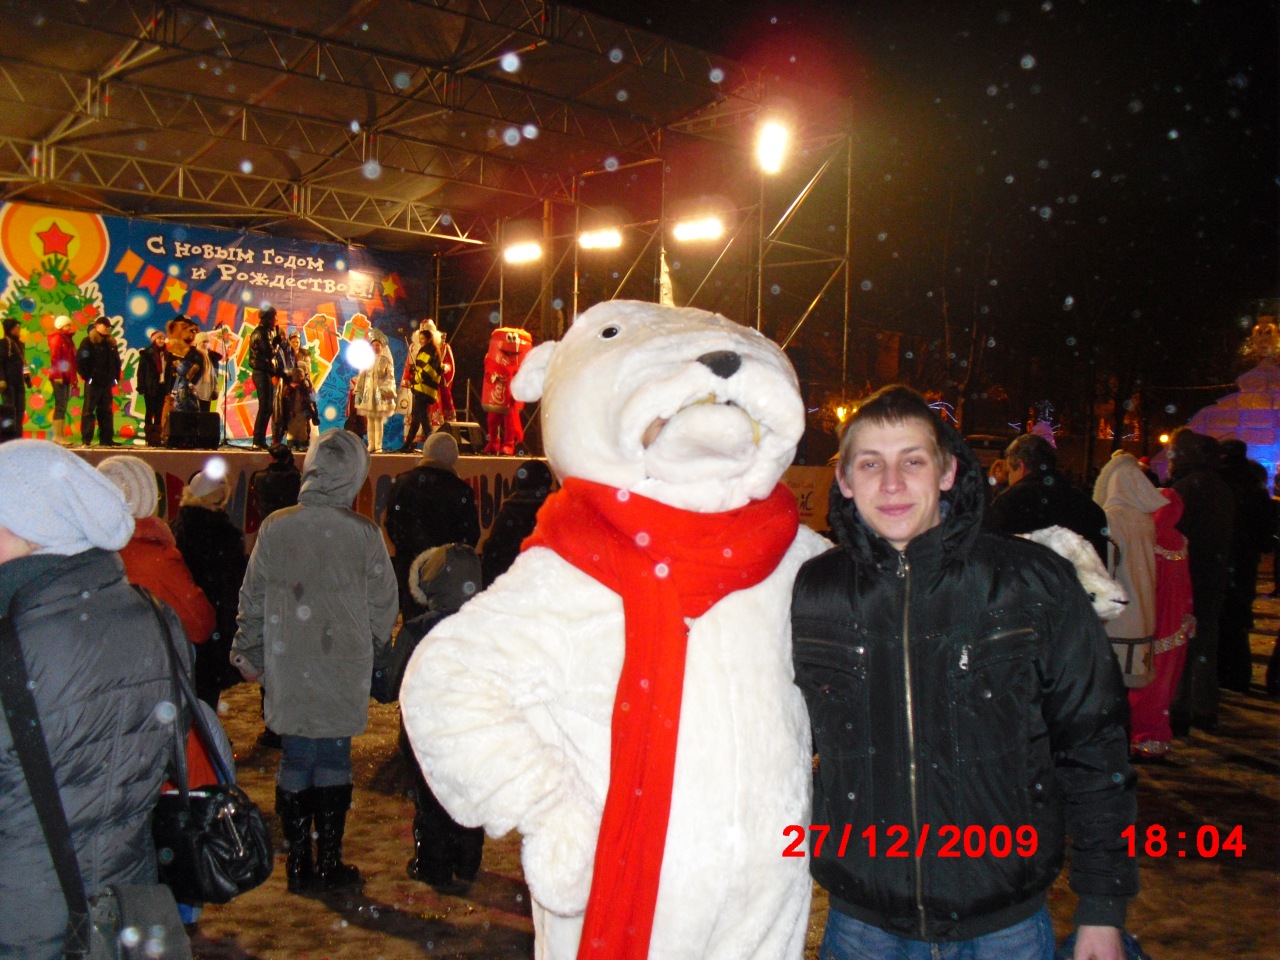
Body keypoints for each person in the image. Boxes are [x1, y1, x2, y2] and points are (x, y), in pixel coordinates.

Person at [790, 384, 1136, 960]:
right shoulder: (815, 593)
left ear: (948, 471)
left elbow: (1094, 743)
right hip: (862, 924)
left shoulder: (1029, 581)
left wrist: (1102, 907)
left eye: (913, 461)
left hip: (1004, 926)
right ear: (844, 480)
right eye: (870, 464)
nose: (892, 483)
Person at [0, 440, 191, 960]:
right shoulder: (152, 616)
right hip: (124, 899)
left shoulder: (15, 642)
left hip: (23, 918)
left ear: (32, 529)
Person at [232, 429, 398, 894]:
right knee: (333, 755)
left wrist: (249, 647)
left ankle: (297, 860)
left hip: (290, 658)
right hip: (343, 661)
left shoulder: (277, 527)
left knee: (296, 753)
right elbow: (384, 603)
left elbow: (253, 595)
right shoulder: (363, 534)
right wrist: (372, 644)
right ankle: (328, 858)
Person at [395, 543, 485, 892]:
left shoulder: (417, 631)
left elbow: (393, 683)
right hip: (475, 728)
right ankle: (466, 860)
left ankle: (432, 864)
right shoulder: (489, 628)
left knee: (431, 799)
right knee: (469, 792)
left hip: (426, 731)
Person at [97, 454, 216, 651]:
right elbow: (201, 625)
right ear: (146, 499)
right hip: (145, 660)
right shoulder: (154, 558)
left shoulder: (79, 549)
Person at [1167, 428, 1233, 734]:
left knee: (1181, 644)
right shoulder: (1220, 487)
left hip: (1187, 575)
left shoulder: (1184, 488)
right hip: (1213, 575)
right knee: (1206, 641)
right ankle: (1204, 708)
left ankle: (1180, 708)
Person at [171, 467, 248, 710]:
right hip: (212, 625)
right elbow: (234, 585)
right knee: (206, 695)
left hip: (181, 621)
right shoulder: (225, 535)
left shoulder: (175, 529)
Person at [1127, 488, 1195, 759]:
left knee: (1144, 682)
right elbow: (1184, 582)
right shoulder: (1179, 540)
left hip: (1151, 620)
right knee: (1164, 683)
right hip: (1175, 624)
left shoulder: (1148, 539)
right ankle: (1155, 734)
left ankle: (1144, 736)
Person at [383, 431, 480, 620]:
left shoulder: (403, 483)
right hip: (448, 575)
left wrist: (410, 551)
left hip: (411, 570)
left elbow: (392, 525)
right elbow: (470, 535)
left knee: (414, 623)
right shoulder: (461, 490)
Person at [1092, 450, 1166, 688]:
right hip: (1141, 608)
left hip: (1118, 615)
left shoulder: (1112, 520)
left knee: (1110, 683)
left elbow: (1106, 567)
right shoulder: (1145, 520)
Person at [985, 432, 1110, 562]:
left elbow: (990, 556)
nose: (1009, 479)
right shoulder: (1089, 508)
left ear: (1021, 467)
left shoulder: (1008, 503)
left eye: (1009, 472)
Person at [1217, 439, 1272, 692]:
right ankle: (1239, 675)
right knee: (1238, 620)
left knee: (1220, 618)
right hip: (1244, 563)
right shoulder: (1254, 487)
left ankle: (1223, 672)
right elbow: (1265, 536)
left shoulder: (1219, 483)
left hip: (1221, 559)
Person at [480, 458, 553, 588]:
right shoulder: (556, 511)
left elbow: (493, 555)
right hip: (550, 583)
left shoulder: (509, 512)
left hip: (514, 585)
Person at [76, 315, 121, 446]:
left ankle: (106, 439)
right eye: (105, 326)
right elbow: (81, 360)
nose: (107, 328)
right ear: (97, 326)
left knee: (106, 411)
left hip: (106, 382)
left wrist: (115, 377)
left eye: (109, 326)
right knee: (89, 411)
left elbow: (116, 361)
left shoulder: (111, 343)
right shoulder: (88, 341)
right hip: (93, 382)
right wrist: (88, 376)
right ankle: (86, 439)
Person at [353, 331, 397, 454]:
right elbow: (361, 376)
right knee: (370, 419)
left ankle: (378, 445)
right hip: (368, 393)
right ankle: (371, 444)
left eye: (378, 345)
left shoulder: (385, 360)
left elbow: (390, 377)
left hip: (379, 393)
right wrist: (359, 391)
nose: (375, 347)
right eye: (373, 345)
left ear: (382, 346)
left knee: (378, 419)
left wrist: (385, 389)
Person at [401, 326, 442, 452]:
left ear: (429, 339)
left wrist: (415, 379)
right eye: (420, 338)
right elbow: (422, 369)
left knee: (422, 417)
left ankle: (432, 443)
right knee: (417, 417)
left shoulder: (431, 352)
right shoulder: (424, 351)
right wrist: (414, 371)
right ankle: (408, 444)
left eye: (423, 338)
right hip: (420, 388)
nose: (421, 341)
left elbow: (428, 371)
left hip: (424, 388)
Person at [249, 306, 283, 450]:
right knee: (265, 407)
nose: (276, 319)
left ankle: (260, 440)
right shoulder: (262, 333)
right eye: (275, 316)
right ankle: (257, 440)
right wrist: (277, 343)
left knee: (267, 407)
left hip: (265, 372)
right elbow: (270, 353)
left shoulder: (263, 332)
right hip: (261, 373)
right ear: (269, 318)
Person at [46, 315, 78, 446]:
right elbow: (55, 358)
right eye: (67, 325)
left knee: (63, 405)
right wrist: (58, 375)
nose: (69, 328)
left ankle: (61, 434)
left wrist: (73, 379)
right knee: (60, 405)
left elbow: (72, 361)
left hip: (66, 377)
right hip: (59, 378)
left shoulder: (68, 340)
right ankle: (57, 435)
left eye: (70, 325)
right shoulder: (57, 339)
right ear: (60, 326)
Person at [251, 443, 303, 520]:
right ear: (288, 458)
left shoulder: (259, 476)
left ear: (272, 458)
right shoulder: (296, 476)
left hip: (267, 521)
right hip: (289, 520)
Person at [136, 327, 168, 446]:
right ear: (154, 340)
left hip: (162, 387)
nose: (161, 341)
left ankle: (157, 437)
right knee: (150, 412)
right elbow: (141, 372)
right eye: (159, 338)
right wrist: (141, 387)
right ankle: (149, 437)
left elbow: (169, 372)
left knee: (159, 412)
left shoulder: (167, 354)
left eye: (163, 338)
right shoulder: (146, 354)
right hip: (150, 387)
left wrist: (169, 387)